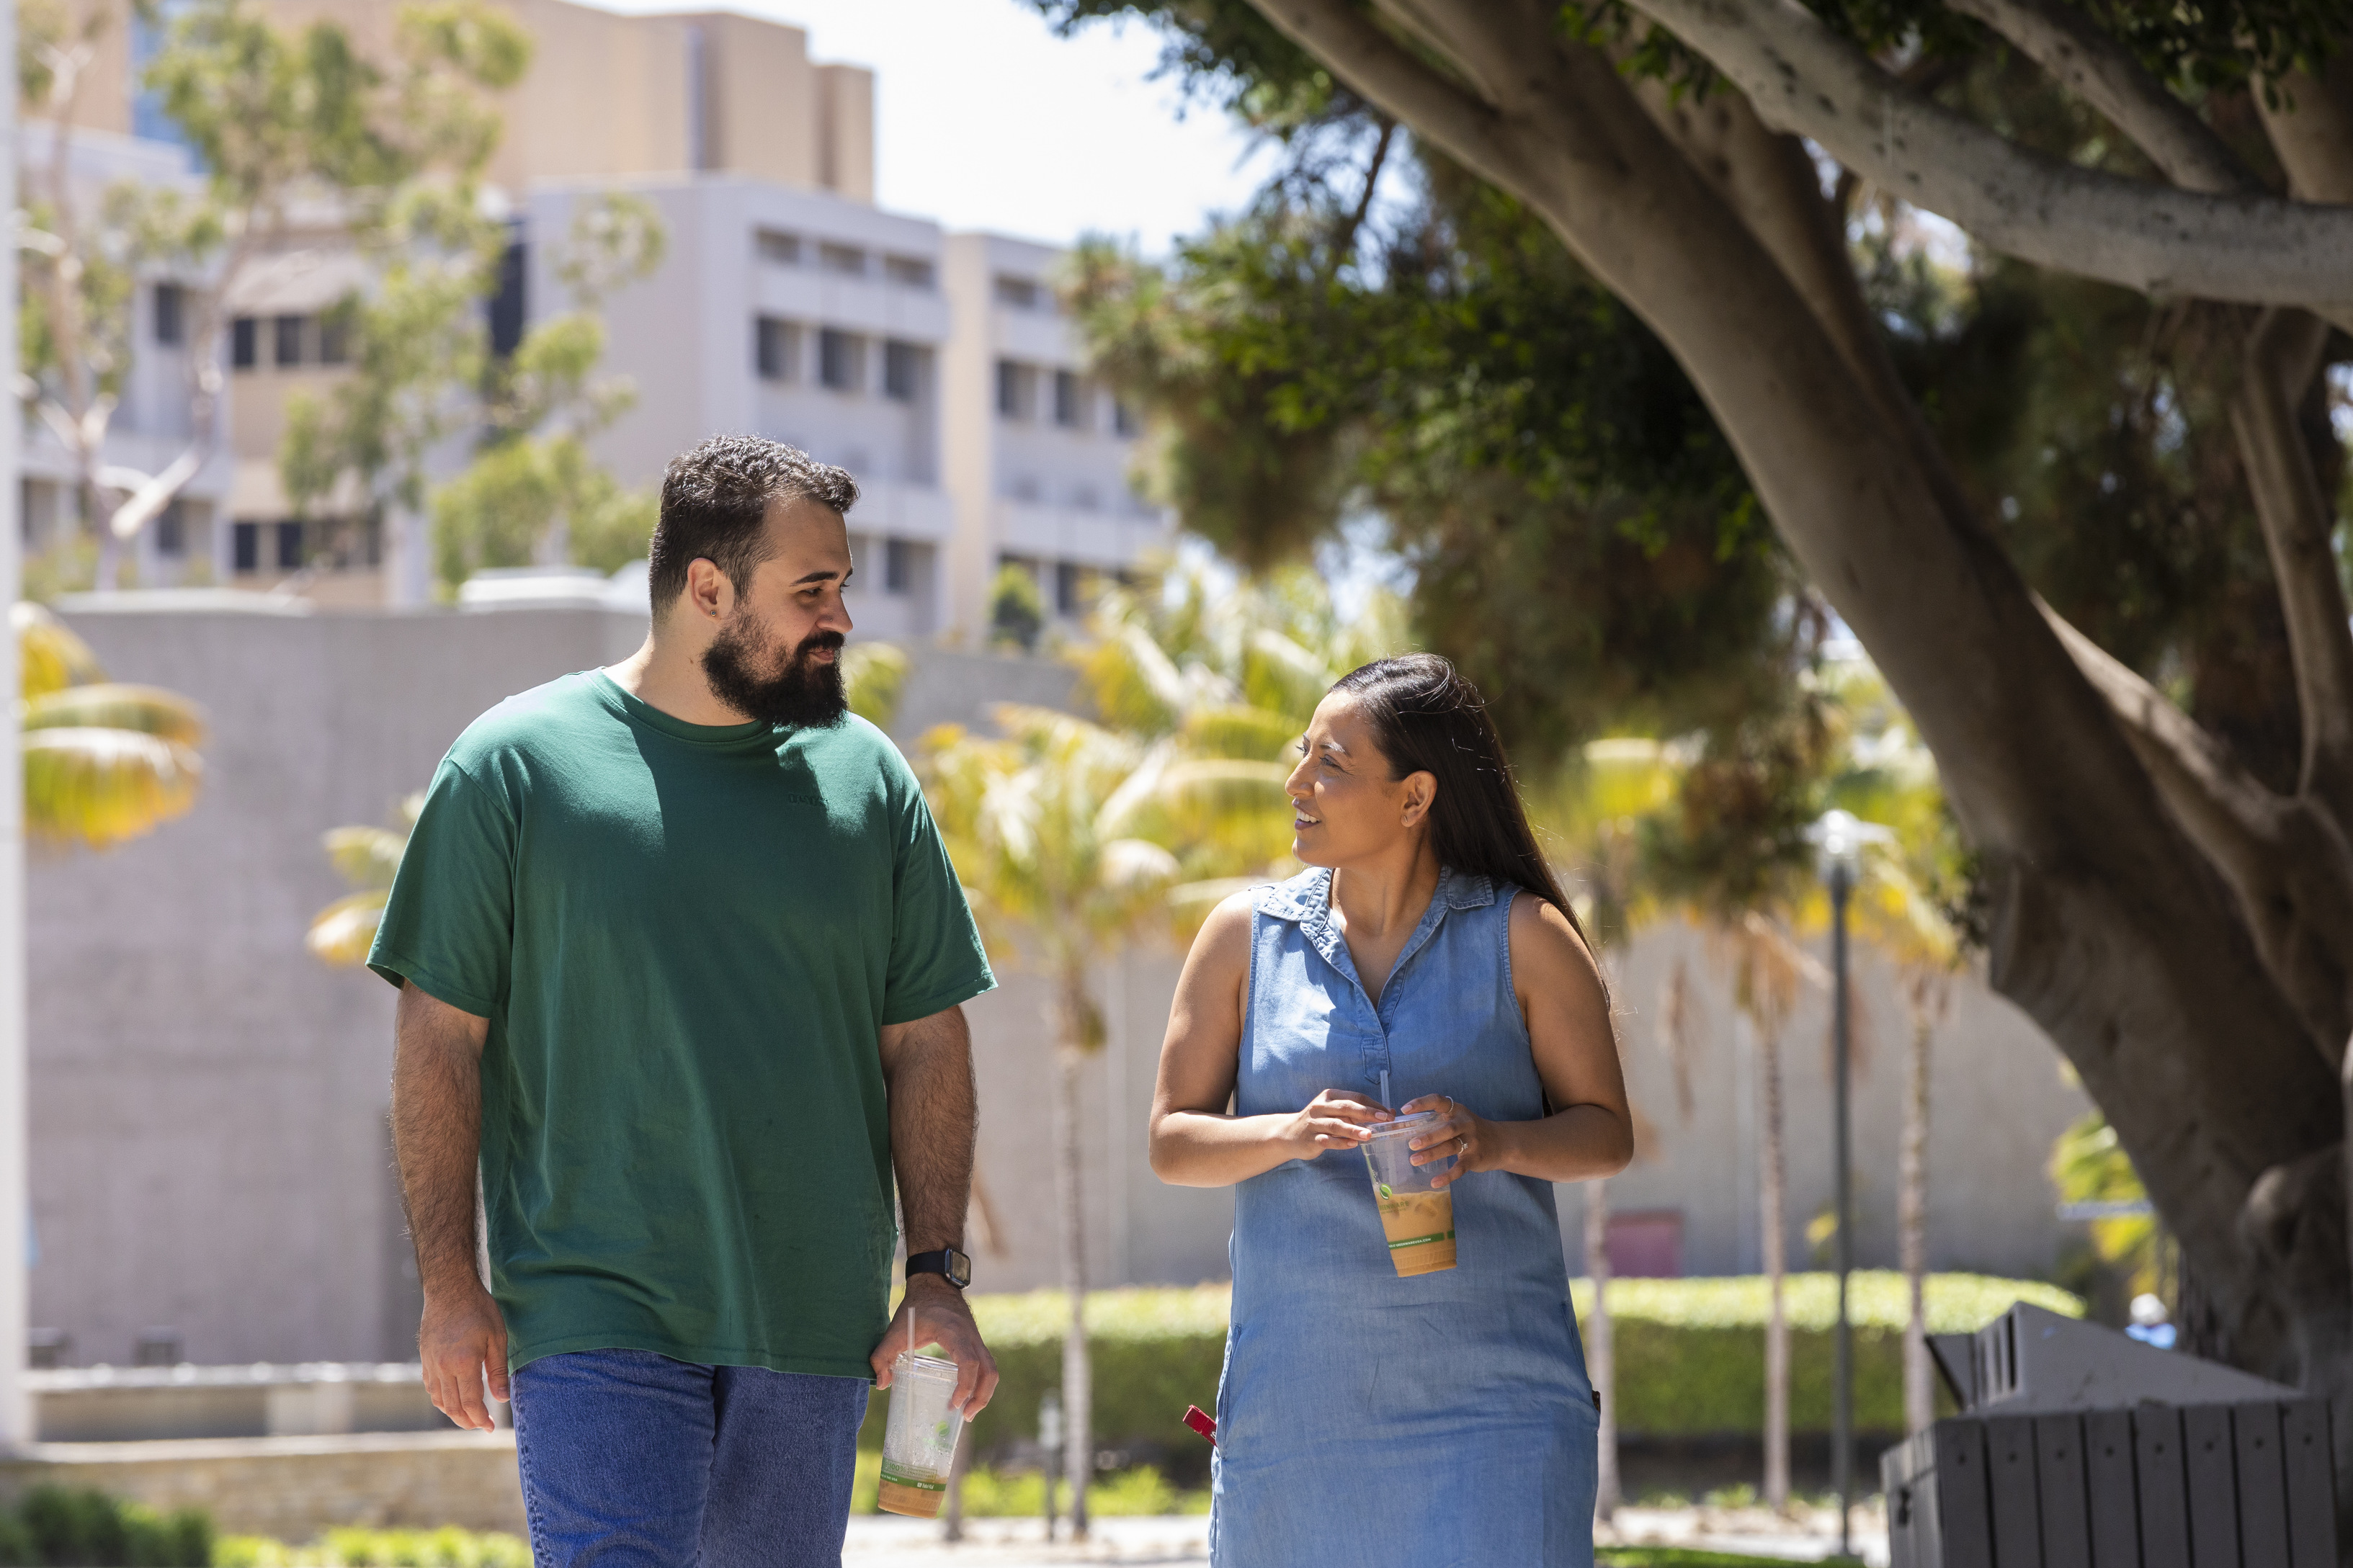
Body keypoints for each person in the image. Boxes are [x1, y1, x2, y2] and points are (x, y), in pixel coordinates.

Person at [368, 436, 1001, 1568]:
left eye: (843, 586)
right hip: (592, 1316)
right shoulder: (512, 767)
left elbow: (925, 1042)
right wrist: (450, 1283)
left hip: (811, 1330)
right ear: (706, 587)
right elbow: (438, 1040)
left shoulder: (870, 781)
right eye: (812, 589)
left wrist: (935, 1281)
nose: (841, 617)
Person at [1151, 653, 1632, 1566]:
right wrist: (1286, 1134)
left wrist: (1490, 1139)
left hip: (1497, 1420)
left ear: (1414, 798)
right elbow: (1172, 1141)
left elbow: (1604, 1132)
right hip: (1296, 1422)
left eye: (1328, 763)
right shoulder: (1241, 939)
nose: (1296, 782)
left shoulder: (1524, 936)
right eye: (1302, 755)